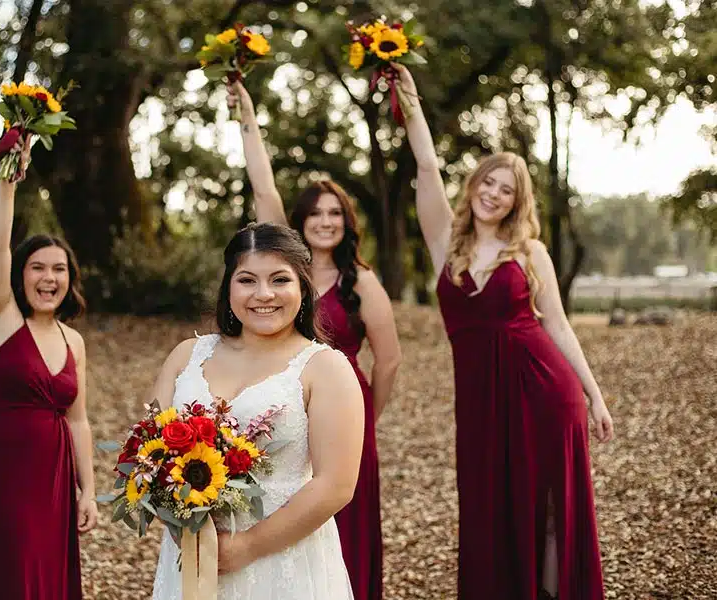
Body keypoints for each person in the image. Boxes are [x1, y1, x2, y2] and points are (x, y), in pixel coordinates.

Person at [393, 62, 614, 600]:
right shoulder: (446, 242)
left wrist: (595, 395)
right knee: (490, 504)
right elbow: (425, 165)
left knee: (550, 509)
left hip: (543, 388)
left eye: (506, 190)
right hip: (479, 396)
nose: (494, 194)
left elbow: (558, 326)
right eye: (488, 182)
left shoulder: (530, 251)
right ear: (473, 185)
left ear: (518, 202)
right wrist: (410, 99)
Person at [227, 82, 401, 600]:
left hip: (342, 409)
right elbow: (263, 188)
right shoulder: (284, 275)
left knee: (343, 517)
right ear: (299, 223)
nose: (325, 222)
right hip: (286, 403)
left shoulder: (361, 282)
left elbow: (388, 361)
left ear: (347, 224)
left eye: (335, 214)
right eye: (315, 214)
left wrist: (365, 416)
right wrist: (248, 120)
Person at [150, 222, 364, 599]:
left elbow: (336, 485)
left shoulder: (325, 368)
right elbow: (149, 456)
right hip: (191, 553)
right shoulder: (186, 356)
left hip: (281, 559)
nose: (264, 294)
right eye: (247, 280)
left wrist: (245, 547)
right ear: (228, 286)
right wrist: (179, 523)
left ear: (303, 287)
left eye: (280, 280)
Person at [0, 136, 97, 599]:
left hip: (55, 474)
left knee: (48, 571)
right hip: (2, 468)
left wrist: (89, 490)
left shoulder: (73, 340)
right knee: (11, 569)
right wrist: (9, 179)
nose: (49, 278)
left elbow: (78, 419)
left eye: (59, 269)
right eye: (38, 267)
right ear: (20, 275)